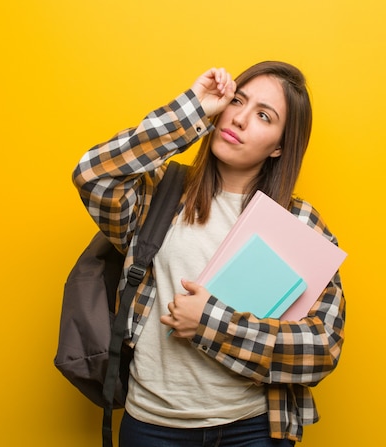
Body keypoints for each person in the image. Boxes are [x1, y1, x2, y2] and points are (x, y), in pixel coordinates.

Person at [72, 61, 345, 446]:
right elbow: (93, 175)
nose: (239, 119)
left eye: (264, 116)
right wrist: (193, 111)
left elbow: (322, 345)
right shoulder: (158, 194)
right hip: (153, 425)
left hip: (252, 428)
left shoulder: (297, 223)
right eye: (237, 101)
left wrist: (210, 324)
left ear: (280, 146)